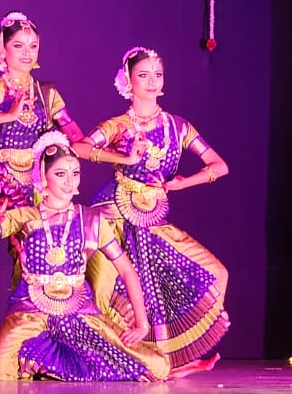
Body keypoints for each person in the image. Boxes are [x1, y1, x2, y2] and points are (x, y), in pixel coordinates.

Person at [0, 131, 168, 382]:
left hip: (79, 311)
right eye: (60, 174)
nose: (70, 182)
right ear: (42, 177)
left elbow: (126, 270)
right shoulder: (26, 217)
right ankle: (42, 361)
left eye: (75, 173)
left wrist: (142, 324)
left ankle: (47, 365)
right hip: (30, 309)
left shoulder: (91, 220)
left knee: (156, 367)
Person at [72, 46, 230, 377]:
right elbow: (79, 148)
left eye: (158, 75)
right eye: (143, 75)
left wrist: (182, 183)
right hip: (112, 216)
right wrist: (123, 158)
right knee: (104, 291)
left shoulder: (178, 127)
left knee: (214, 274)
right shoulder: (118, 126)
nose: (152, 81)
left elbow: (219, 165)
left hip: (151, 218)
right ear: (127, 81)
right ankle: (121, 360)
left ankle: (167, 361)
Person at [0, 12, 85, 275]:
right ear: (2, 49)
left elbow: (76, 138)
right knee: (18, 238)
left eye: (33, 46)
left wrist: (115, 154)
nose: (27, 53)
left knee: (41, 245)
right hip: (1, 178)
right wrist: (6, 116)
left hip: (37, 181)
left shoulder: (46, 94)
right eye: (19, 45)